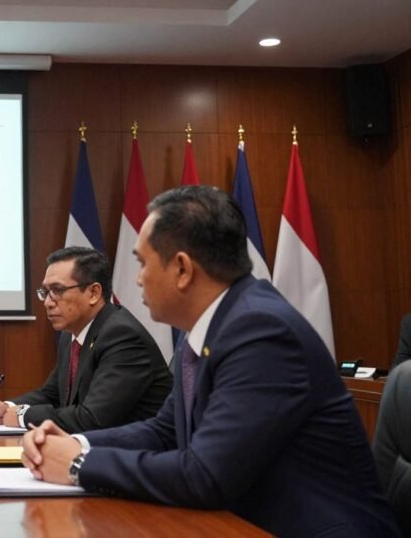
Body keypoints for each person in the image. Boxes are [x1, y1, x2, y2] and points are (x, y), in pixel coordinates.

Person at [21, 185, 399, 538]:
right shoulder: (208, 325)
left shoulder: (261, 331)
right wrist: (75, 442)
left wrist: (78, 465)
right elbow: (164, 431)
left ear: (183, 269)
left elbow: (206, 475)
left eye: (142, 264)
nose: (136, 281)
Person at [0, 247, 171, 432]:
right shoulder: (72, 334)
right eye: (45, 292)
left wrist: (21, 416)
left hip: (134, 457)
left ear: (93, 293)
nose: (48, 302)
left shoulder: (122, 336)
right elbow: (52, 395)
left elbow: (92, 418)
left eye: (58, 290)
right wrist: (6, 406)